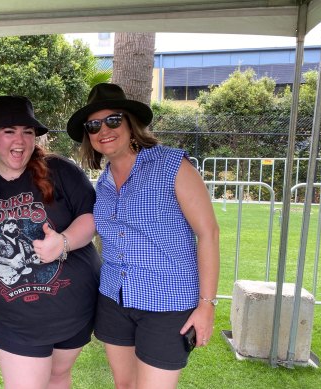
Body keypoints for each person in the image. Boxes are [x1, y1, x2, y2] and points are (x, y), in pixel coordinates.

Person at [66, 83, 220, 389]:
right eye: (94, 125)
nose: (103, 130)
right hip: (114, 298)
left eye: (113, 120)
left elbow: (209, 234)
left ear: (130, 122)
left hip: (167, 303)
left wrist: (207, 305)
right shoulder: (104, 182)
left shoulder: (173, 165)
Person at [0, 95, 101, 389]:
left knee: (59, 378)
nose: (19, 141)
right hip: (13, 318)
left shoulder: (61, 171)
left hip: (74, 309)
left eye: (28, 131)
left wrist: (63, 241)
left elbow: (92, 218)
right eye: (9, 131)